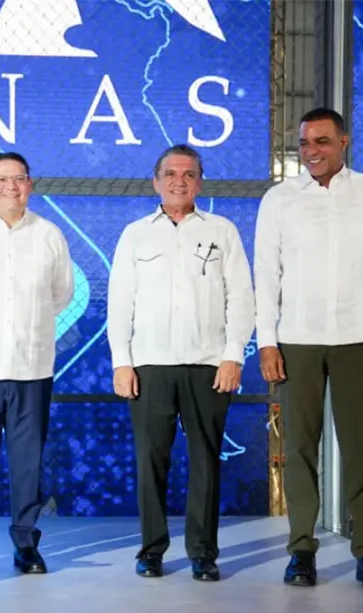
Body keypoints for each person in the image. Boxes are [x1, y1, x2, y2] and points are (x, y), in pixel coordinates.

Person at [254, 107, 363, 591]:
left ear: (344, 142)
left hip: (358, 338)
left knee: (361, 451)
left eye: (321, 141)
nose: (311, 151)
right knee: (299, 449)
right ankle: (301, 551)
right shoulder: (279, 200)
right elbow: (267, 275)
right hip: (297, 340)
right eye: (304, 143)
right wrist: (266, 341)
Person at [107, 144, 254, 581]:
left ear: (200, 183)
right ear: (156, 182)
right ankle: (151, 550)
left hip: (208, 365)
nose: (179, 181)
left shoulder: (222, 231)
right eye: (170, 174)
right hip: (149, 366)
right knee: (151, 461)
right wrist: (121, 362)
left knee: (205, 462)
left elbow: (241, 298)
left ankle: (203, 553)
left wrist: (232, 355)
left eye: (189, 174)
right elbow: (120, 302)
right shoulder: (135, 234)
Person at [0, 152, 74, 576]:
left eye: (19, 178)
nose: (10, 186)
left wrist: (28, 324)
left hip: (31, 368)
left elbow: (61, 294)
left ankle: (26, 544)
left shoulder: (49, 235)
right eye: (1, 179)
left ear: (30, 184)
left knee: (27, 464)